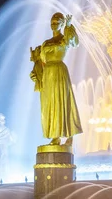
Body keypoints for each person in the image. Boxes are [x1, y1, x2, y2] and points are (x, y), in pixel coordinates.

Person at [30, 12, 82, 145]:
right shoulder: (46, 43)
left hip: (59, 71)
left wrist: (69, 26)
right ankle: (55, 134)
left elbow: (74, 43)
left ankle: (65, 135)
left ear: (62, 24)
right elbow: (41, 62)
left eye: (56, 23)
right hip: (47, 74)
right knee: (50, 104)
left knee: (61, 102)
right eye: (52, 23)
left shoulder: (63, 39)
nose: (53, 25)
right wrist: (35, 73)